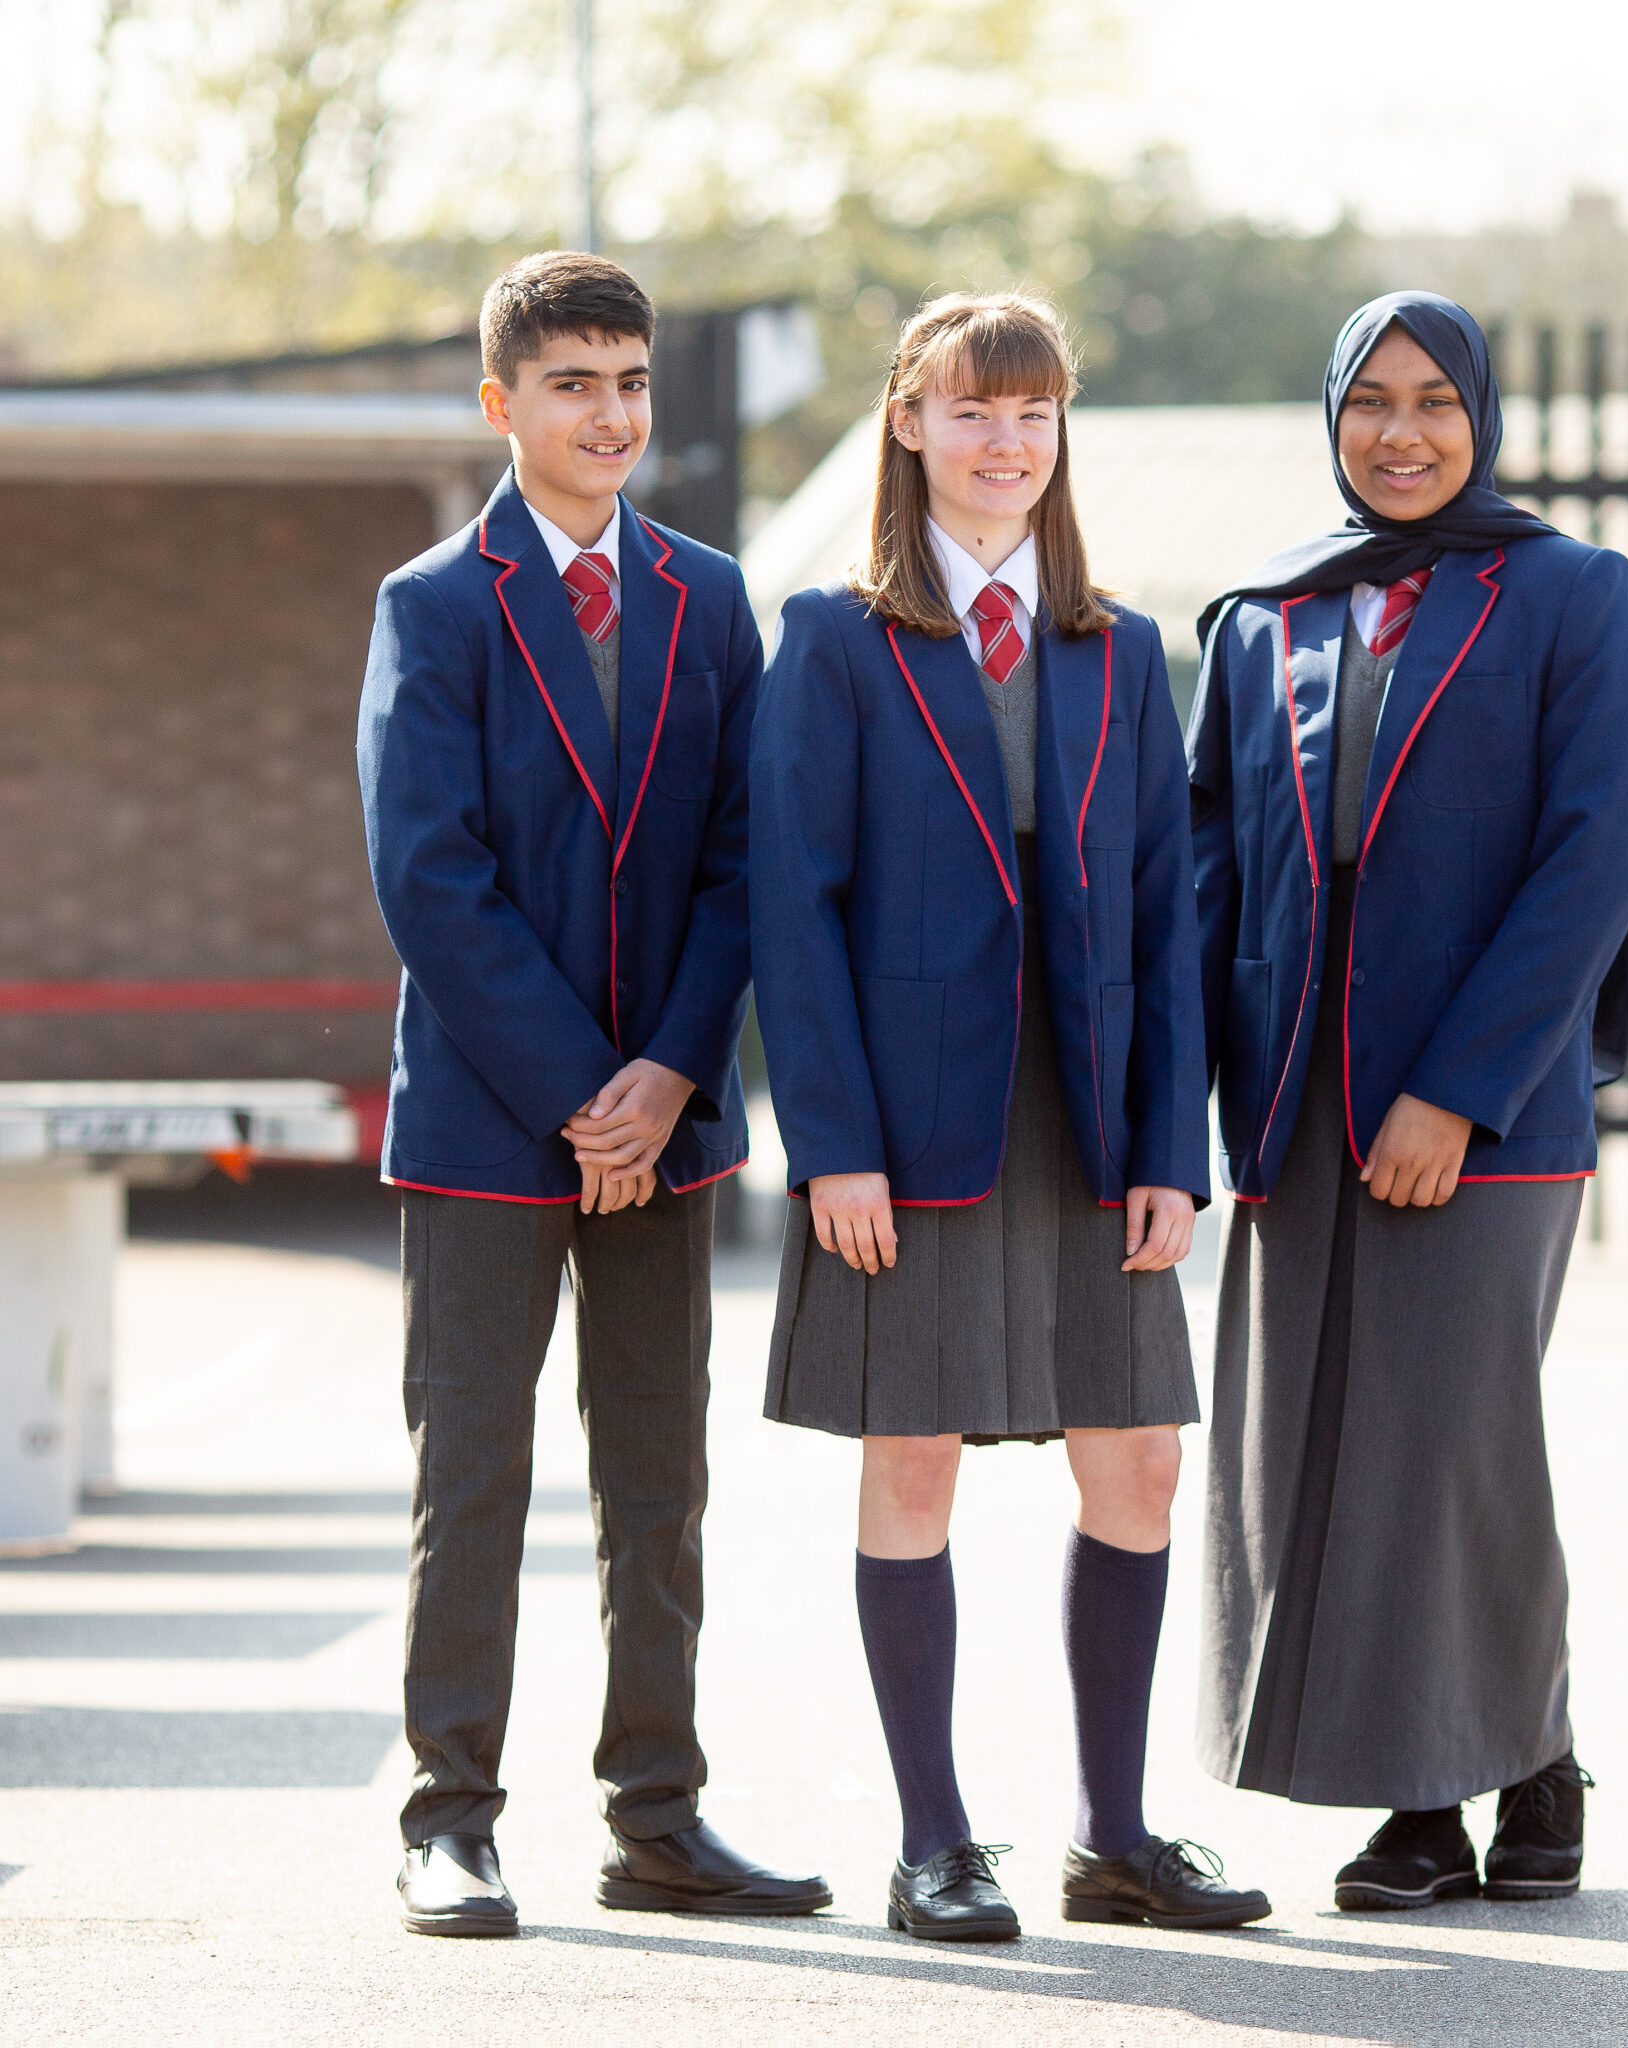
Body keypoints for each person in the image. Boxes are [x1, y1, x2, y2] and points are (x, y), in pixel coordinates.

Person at [750, 292, 1268, 1942]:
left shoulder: (1122, 647)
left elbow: (1169, 918)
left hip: (1096, 1121)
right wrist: (831, 1143)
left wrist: (1169, 1153)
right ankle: (934, 1841)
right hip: (908, 1132)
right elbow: (793, 905)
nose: (1007, 443)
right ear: (909, 425)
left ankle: (1114, 1837)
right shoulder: (836, 641)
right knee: (914, 1466)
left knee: (1140, 1467)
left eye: (1036, 414)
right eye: (974, 412)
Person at [358, 250, 828, 1937]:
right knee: (471, 1475)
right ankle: (450, 1819)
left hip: (672, 1118)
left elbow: (736, 863)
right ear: (502, 404)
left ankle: (659, 1818)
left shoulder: (711, 597)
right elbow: (433, 879)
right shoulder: (433, 603)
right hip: (496, 1124)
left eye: (631, 381)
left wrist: (673, 1073)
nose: (611, 412)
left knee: (658, 1481)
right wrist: (584, 1094)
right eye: (573, 383)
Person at [1187, 290, 1628, 1910]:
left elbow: (1594, 857)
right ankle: (1485, 1781)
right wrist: (1164, 1114)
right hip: (1297, 1110)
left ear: (1483, 418)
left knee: (1456, 1442)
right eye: (1371, 403)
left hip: (1486, 1110)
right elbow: (1204, 872)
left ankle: (1470, 1782)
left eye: (1435, 402)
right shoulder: (1264, 618)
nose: (1402, 433)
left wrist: (1456, 1091)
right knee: (1332, 1449)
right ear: (1331, 419)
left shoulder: (1570, 595)